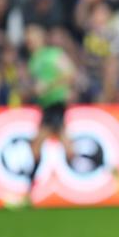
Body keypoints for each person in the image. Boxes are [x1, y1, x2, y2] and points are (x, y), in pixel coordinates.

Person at [25, 24, 75, 202]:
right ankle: (108, 170)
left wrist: (49, 86)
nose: (28, 40)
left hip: (56, 103)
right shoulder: (33, 60)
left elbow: (69, 73)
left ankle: (29, 192)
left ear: (40, 38)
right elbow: (38, 85)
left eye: (31, 36)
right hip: (46, 105)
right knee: (67, 147)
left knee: (36, 145)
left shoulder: (52, 54)